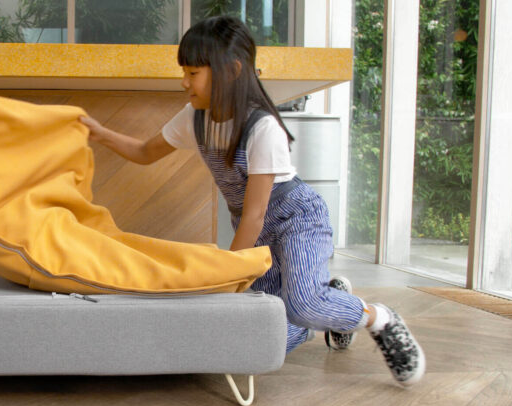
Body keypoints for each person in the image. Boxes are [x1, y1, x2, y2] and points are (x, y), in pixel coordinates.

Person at [79, 15, 425, 387]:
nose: (184, 81)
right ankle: (329, 299)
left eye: (193, 72)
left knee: (303, 306)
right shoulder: (196, 117)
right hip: (256, 228)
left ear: (231, 70)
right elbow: (146, 152)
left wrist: (229, 274)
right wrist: (99, 134)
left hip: (296, 220)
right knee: (263, 339)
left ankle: (379, 318)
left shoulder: (262, 128)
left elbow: (256, 214)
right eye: (185, 71)